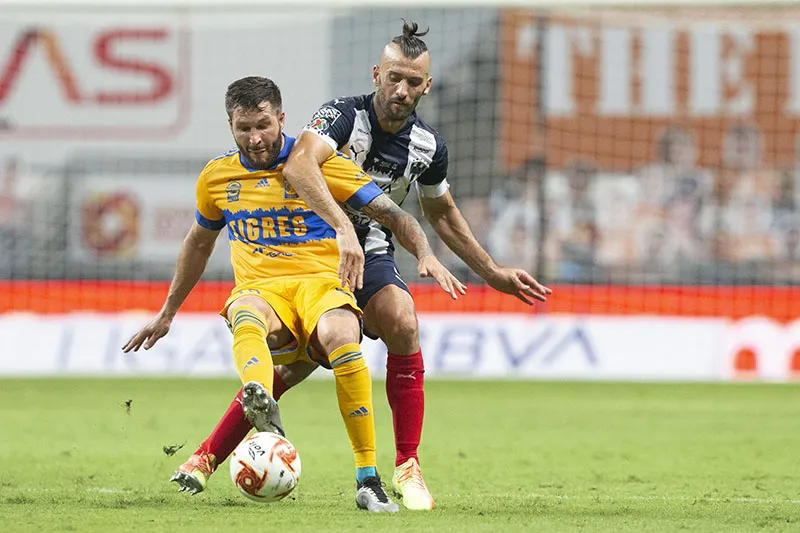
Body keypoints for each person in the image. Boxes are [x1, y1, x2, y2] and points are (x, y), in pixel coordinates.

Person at [171, 22, 551, 511]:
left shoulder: (429, 146)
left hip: (371, 250)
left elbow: (439, 213)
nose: (401, 89)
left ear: (426, 86)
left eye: (413, 82)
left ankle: (406, 466)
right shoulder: (341, 116)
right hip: (319, 249)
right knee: (295, 366)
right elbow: (300, 165)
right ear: (377, 73)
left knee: (399, 321)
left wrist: (489, 270)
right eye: (394, 77)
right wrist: (342, 228)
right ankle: (205, 457)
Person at [123, 76, 464, 513]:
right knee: (245, 310)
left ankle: (367, 479)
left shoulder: (321, 165)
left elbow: (395, 215)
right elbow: (198, 244)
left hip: (322, 286)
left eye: (263, 124)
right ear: (230, 125)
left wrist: (425, 253)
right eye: (244, 128)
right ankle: (258, 399)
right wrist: (168, 312)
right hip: (263, 292)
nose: (256, 137)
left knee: (343, 334)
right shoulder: (216, 178)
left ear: (281, 118)